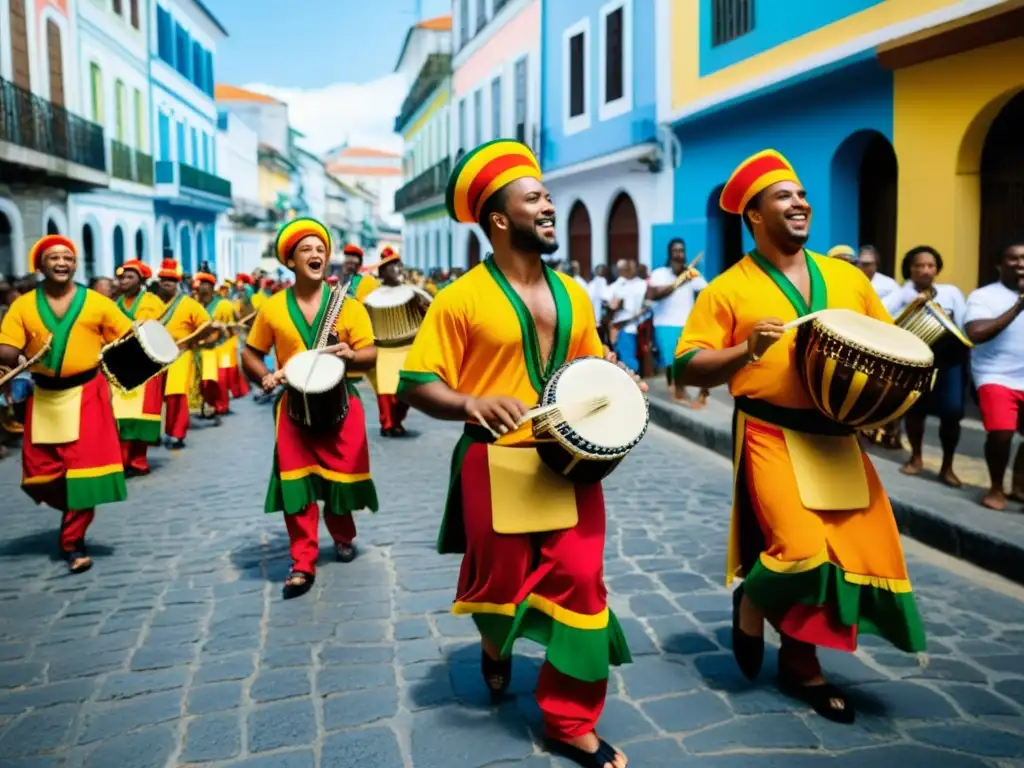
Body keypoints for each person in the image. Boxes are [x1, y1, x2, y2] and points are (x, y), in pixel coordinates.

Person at [398, 140, 633, 768]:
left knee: (582, 581)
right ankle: (497, 648)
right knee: (498, 590)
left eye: (548, 195)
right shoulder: (459, 299)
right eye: (535, 199)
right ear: (499, 220)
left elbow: (591, 362)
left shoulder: (575, 296)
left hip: (569, 463)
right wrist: (470, 400)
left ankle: (569, 720)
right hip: (493, 462)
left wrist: (615, 377)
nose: (549, 206)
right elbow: (416, 384)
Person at [675, 149, 925, 725]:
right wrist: (745, 350)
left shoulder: (845, 278)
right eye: (784, 196)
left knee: (852, 552)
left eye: (803, 194)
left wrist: (892, 397)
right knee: (800, 548)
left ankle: (800, 664)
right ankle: (757, 598)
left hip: (838, 437)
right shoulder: (727, 289)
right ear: (755, 216)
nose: (801, 202)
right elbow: (686, 367)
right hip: (770, 431)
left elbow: (886, 347)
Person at [242, 218, 379, 599]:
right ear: (291, 260)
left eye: (320, 249)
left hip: (341, 406)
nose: (316, 254)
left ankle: (343, 535)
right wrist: (264, 376)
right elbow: (250, 354)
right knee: (297, 486)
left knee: (339, 478)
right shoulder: (271, 309)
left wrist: (352, 353)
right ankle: (302, 561)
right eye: (307, 249)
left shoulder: (347, 307)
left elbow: (370, 353)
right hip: (293, 410)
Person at [0, 236, 132, 573]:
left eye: (68, 258)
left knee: (86, 476)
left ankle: (73, 541)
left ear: (75, 265)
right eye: (54, 257)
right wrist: (7, 358)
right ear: (40, 265)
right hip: (44, 397)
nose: (62, 262)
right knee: (38, 477)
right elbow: (8, 349)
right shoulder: (23, 306)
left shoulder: (99, 303)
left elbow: (128, 339)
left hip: (88, 394)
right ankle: (71, 507)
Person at [883, 246, 968, 486]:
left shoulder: (951, 293)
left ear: (937, 269)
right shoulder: (900, 294)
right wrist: (911, 305)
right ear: (910, 269)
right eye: (919, 265)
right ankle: (916, 458)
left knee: (952, 414)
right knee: (915, 412)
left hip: (950, 363)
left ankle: (947, 467)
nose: (925, 270)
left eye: (930, 266)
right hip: (916, 363)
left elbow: (962, 327)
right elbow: (882, 316)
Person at [964, 241, 1024, 511]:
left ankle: (1019, 485)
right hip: (995, 376)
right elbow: (976, 334)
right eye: (1013, 259)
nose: (1020, 264)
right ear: (999, 264)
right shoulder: (984, 296)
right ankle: (996, 487)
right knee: (1002, 434)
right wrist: (1019, 304)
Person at [111, 259, 168, 476]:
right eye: (122, 277)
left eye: (129, 277)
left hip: (145, 363)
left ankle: (138, 459)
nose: (124, 281)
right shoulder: (115, 304)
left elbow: (145, 328)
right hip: (120, 363)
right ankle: (122, 459)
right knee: (121, 413)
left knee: (142, 414)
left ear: (141, 280)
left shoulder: (151, 302)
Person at [155, 257, 214, 449]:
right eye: (164, 279)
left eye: (171, 280)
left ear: (177, 283)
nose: (167, 283)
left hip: (180, 354)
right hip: (154, 356)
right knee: (154, 396)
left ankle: (176, 433)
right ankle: (155, 432)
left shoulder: (188, 303)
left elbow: (207, 323)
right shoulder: (151, 303)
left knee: (176, 394)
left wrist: (191, 340)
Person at [647, 239, 709, 406]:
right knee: (670, 361)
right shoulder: (659, 273)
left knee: (685, 360)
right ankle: (675, 390)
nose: (678, 254)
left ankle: (684, 391)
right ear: (669, 254)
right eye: (675, 251)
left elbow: (707, 293)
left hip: (687, 324)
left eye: (681, 251)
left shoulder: (692, 274)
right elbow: (654, 295)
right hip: (665, 324)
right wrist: (679, 282)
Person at [366, 249, 421, 437]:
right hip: (384, 351)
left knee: (406, 392)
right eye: (391, 267)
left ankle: (397, 420)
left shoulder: (413, 293)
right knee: (386, 392)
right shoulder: (371, 299)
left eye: (398, 265)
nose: (397, 269)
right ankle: (388, 424)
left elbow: (428, 315)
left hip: (409, 349)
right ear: (382, 273)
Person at [194, 267, 238, 419]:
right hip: (199, 347)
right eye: (200, 284)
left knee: (218, 380)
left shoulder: (222, 305)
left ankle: (221, 405)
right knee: (203, 381)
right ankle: (208, 404)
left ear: (212, 287)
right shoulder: (195, 305)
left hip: (218, 347)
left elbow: (229, 328)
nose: (201, 287)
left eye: (205, 284)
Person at [606, 259, 647, 373]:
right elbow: (609, 304)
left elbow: (646, 306)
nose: (629, 270)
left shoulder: (641, 284)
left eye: (631, 267)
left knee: (629, 362)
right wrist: (615, 305)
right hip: (618, 328)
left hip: (632, 328)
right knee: (617, 360)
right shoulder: (617, 285)